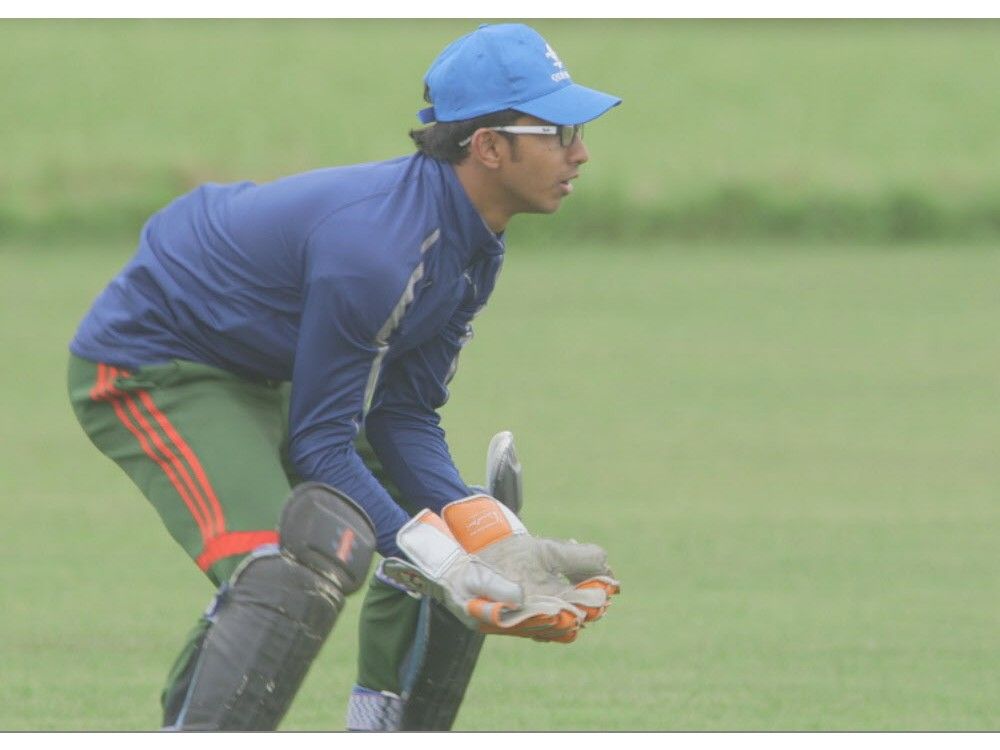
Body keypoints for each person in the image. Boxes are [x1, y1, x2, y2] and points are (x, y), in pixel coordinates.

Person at [67, 22, 621, 731]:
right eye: (560, 130)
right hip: (158, 361)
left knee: (436, 529)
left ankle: (379, 725)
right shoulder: (379, 252)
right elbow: (321, 446)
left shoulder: (476, 240)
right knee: (285, 569)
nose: (581, 152)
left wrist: (492, 534)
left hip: (269, 363)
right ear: (488, 146)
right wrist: (448, 565)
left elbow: (402, 414)